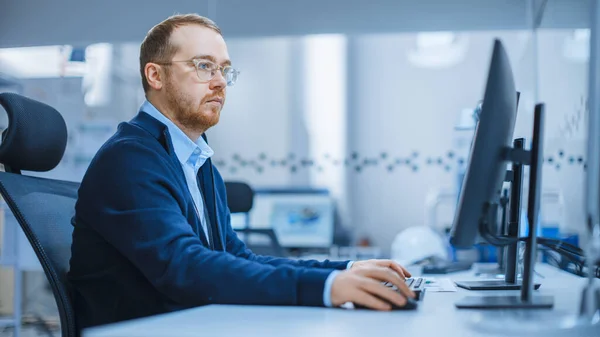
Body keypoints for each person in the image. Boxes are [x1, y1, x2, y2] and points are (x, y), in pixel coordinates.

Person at [67, 13, 415, 331]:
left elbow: (236, 259)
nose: (220, 82)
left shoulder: (198, 164)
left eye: (224, 69)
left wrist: (341, 272)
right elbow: (185, 268)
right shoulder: (130, 158)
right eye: (204, 66)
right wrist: (325, 288)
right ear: (155, 75)